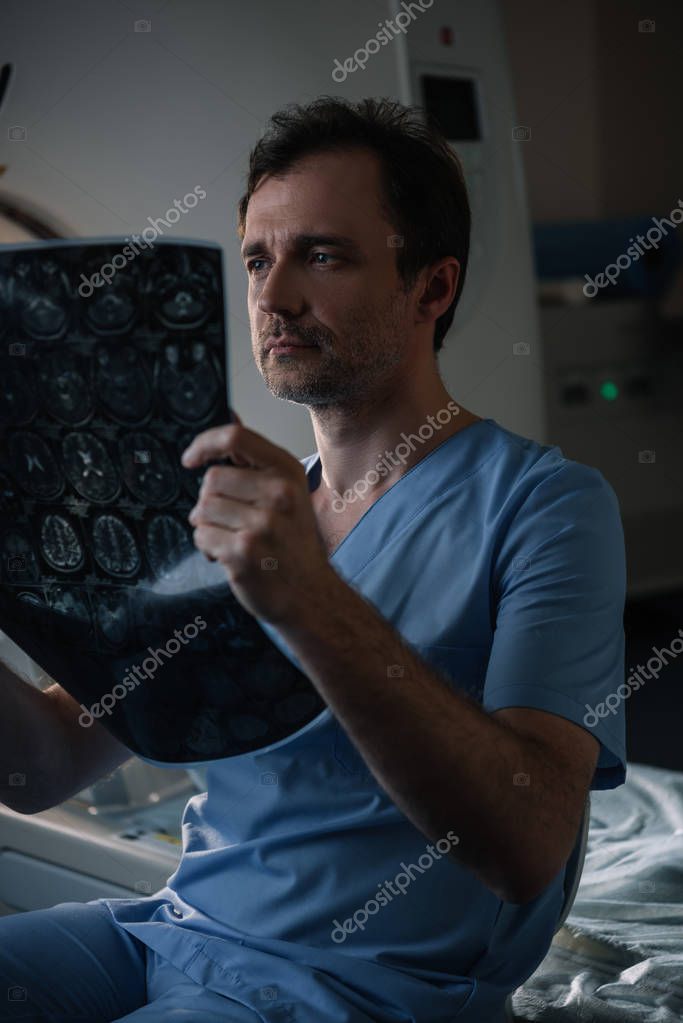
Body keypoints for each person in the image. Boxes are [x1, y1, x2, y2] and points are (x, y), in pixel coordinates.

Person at [0, 97, 627, 1022]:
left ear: (431, 287)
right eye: (259, 257)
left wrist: (304, 595)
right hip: (171, 930)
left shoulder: (545, 506)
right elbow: (41, 767)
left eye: (321, 255)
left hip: (352, 988)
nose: (274, 296)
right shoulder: (231, 506)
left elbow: (526, 842)